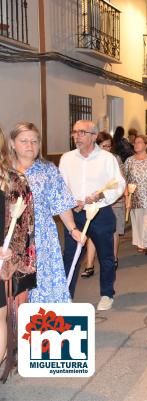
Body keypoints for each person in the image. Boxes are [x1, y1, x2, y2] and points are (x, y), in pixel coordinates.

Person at [9, 123, 83, 304]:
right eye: (24, 141)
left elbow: (61, 202)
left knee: (43, 283)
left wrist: (73, 229)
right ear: (12, 143)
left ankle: (43, 326)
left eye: (34, 141)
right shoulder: (5, 172)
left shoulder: (48, 170)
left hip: (42, 238)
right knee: (13, 288)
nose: (29, 145)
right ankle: (16, 327)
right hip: (11, 238)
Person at [60, 120, 125, 311]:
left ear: (94, 136)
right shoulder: (67, 158)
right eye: (74, 132)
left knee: (105, 255)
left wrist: (101, 195)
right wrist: (73, 202)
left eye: (82, 132)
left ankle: (107, 294)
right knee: (70, 255)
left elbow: (118, 184)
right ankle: (66, 296)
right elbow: (61, 186)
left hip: (100, 212)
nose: (77, 136)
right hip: (74, 214)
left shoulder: (107, 158)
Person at [0, 126, 35, 383]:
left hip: (2, 259)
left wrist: (11, 256)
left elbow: (23, 226)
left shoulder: (13, 181)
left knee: (0, 317)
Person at [81, 132, 127, 278]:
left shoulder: (115, 158)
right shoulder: (89, 160)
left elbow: (120, 179)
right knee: (93, 233)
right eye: (103, 146)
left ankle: (113, 259)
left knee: (113, 231)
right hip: (96, 202)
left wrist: (124, 194)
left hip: (115, 200)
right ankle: (89, 265)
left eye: (108, 146)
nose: (106, 149)